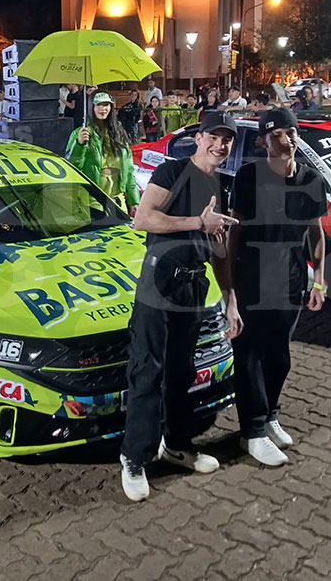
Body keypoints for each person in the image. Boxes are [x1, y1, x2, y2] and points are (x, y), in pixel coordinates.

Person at [119, 112, 238, 501]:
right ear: (199, 138)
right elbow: (143, 219)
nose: (220, 145)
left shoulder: (219, 184)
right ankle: (134, 457)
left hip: (193, 286)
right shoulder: (172, 171)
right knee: (147, 369)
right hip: (159, 280)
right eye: (214, 137)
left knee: (182, 371)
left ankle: (176, 445)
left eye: (227, 140)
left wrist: (230, 300)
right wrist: (197, 223)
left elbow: (220, 247)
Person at [224, 107, 327, 467]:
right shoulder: (248, 176)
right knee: (248, 355)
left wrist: (319, 280)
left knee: (279, 356)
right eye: (277, 134)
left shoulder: (311, 179)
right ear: (262, 141)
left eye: (291, 132)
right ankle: (252, 432)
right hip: (252, 279)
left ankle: (269, 415)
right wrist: (230, 290)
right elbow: (234, 232)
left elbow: (316, 232)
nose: (287, 140)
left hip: (292, 280)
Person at [64, 92, 140, 217]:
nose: (102, 109)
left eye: (106, 105)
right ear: (91, 107)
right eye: (98, 104)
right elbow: (71, 166)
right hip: (93, 200)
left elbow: (129, 170)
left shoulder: (119, 132)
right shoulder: (81, 133)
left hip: (118, 198)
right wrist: (79, 145)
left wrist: (134, 201)